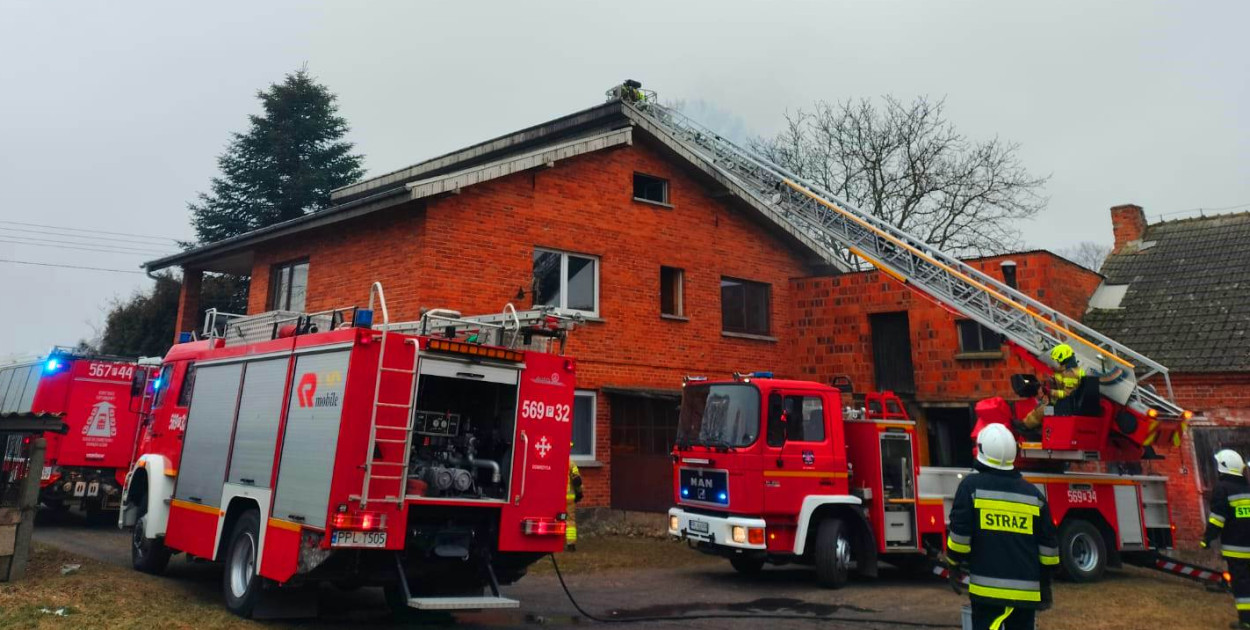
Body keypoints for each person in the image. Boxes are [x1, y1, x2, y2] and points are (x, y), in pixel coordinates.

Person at [946, 423, 1059, 630]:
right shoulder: (1033, 495)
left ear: (981, 451)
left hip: (987, 592)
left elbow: (960, 538)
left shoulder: (971, 487)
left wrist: (953, 564)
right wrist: (1045, 583)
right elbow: (1048, 549)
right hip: (1026, 594)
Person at [1201, 449, 1250, 629]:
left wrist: (1207, 539)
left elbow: (1217, 519)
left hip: (1236, 549)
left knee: (1242, 586)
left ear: (1223, 467)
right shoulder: (1247, 488)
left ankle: (1246, 621)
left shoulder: (1222, 488)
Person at [1023, 343, 1086, 430]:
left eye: (1058, 359)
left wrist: (1050, 391)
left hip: (1066, 408)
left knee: (1042, 410)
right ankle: (1028, 425)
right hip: (1066, 404)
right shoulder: (1070, 369)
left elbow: (1067, 393)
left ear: (1064, 358)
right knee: (1042, 406)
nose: (1057, 361)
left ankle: (1025, 427)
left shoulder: (1070, 373)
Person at [566, 449, 583, 552]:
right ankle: (571, 544)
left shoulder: (553, 462)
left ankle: (551, 543)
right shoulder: (571, 463)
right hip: (569, 498)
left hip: (555, 499)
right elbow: (577, 481)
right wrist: (579, 493)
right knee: (570, 521)